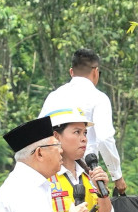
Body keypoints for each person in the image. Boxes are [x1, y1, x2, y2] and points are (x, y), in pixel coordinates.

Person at [40, 48, 126, 194]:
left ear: (71, 72)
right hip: (84, 170)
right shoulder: (98, 98)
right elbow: (104, 138)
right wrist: (117, 176)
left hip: (51, 169)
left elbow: (39, 132)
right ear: (95, 72)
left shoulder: (53, 96)